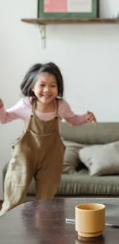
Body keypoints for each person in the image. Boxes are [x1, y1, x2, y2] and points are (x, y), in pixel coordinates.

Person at [0, 62, 97, 216]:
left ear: (58, 88)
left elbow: (73, 120)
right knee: (13, 198)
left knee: (45, 203)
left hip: (51, 158)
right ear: (32, 87)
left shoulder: (61, 106)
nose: (47, 90)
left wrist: (86, 117)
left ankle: (42, 235)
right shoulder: (25, 104)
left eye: (52, 85)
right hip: (25, 155)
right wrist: (1, 108)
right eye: (42, 85)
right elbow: (5, 118)